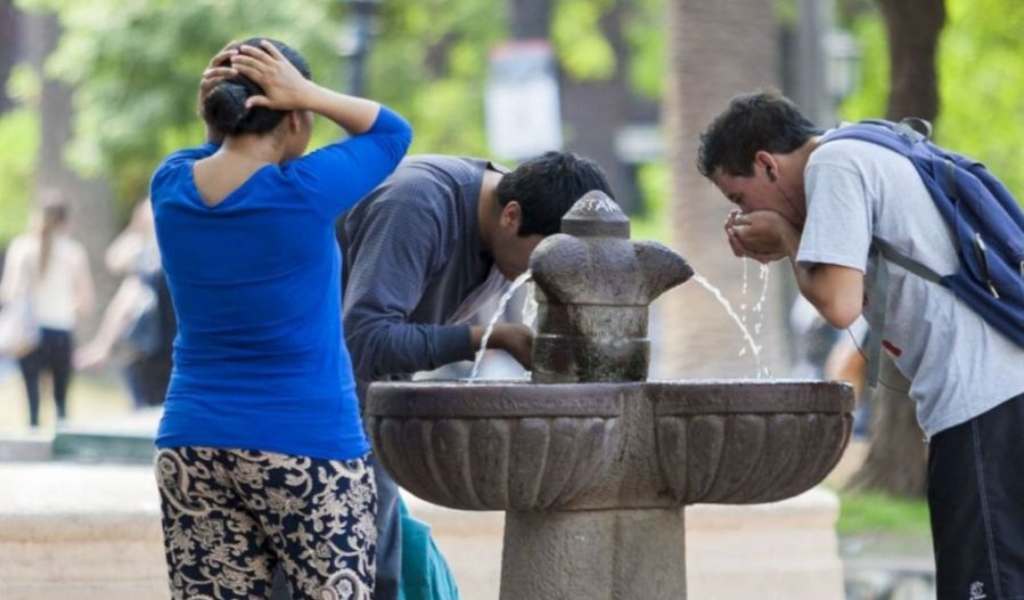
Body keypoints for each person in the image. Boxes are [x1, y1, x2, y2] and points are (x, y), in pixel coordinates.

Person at [698, 90, 1024, 600]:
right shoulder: (870, 145)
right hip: (1004, 396)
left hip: (983, 406)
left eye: (739, 198)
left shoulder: (834, 164)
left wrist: (784, 236)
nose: (743, 213)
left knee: (986, 586)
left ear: (765, 165)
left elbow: (839, 303)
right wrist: (790, 235)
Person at [149, 38, 411, 599]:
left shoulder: (170, 186)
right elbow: (392, 133)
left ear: (219, 114)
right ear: (295, 116)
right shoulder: (305, 191)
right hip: (307, 443)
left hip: (194, 441)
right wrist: (311, 93)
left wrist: (219, 119)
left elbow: (214, 159)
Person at [338, 151, 613, 599]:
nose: (542, 281)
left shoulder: (511, 231)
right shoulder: (416, 205)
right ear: (511, 215)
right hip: (300, 405)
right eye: (542, 266)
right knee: (346, 572)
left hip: (361, 401)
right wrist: (491, 337)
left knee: (378, 571)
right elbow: (365, 341)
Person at [0, 193, 94, 428]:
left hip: (28, 333)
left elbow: (9, 292)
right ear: (66, 221)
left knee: (32, 405)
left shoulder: (21, 247)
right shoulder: (73, 252)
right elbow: (86, 302)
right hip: (61, 331)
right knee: (61, 404)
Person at [76, 200, 175, 408]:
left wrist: (103, 344)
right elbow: (114, 260)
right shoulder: (169, 256)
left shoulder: (150, 263)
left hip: (151, 351)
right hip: (171, 350)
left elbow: (117, 271)